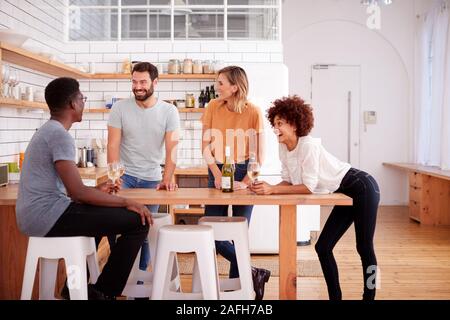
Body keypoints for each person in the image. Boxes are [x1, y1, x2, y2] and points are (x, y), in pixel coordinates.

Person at [16, 77, 153, 300]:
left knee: (101, 220)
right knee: (137, 221)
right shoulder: (59, 135)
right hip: (46, 216)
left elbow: (73, 190)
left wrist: (98, 189)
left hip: (40, 214)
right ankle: (103, 293)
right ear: (72, 103)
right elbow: (78, 194)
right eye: (82, 98)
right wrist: (129, 202)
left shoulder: (50, 131)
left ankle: (74, 290)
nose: (83, 102)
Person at [250, 95, 380, 300]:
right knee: (323, 247)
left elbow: (307, 187)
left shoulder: (308, 145)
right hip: (344, 190)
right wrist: (269, 187)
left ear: (293, 124)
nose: (275, 129)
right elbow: (289, 181)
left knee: (364, 247)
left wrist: (273, 190)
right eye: (274, 124)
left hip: (363, 185)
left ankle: (370, 297)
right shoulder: (283, 147)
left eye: (280, 123)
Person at [201, 65, 270, 300]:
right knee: (210, 231)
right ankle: (253, 272)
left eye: (220, 83)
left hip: (243, 172)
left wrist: (245, 180)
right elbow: (206, 147)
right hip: (217, 169)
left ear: (234, 87)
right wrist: (217, 174)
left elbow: (260, 156)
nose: (216, 86)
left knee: (239, 233)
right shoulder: (212, 106)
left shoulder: (254, 112)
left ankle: (235, 290)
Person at [107, 62, 180, 273]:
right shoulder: (120, 107)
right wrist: (114, 174)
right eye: (134, 81)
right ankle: (120, 274)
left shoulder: (169, 111)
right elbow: (113, 144)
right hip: (125, 176)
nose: (138, 86)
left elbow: (172, 148)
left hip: (152, 179)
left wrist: (166, 178)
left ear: (155, 82)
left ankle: (138, 279)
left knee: (144, 228)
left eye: (143, 82)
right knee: (114, 225)